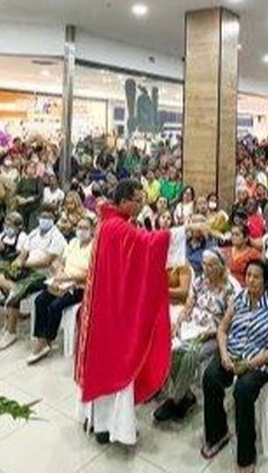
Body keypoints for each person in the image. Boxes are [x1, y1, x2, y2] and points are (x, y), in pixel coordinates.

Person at [76, 180, 206, 446]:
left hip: (106, 306)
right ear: (124, 200)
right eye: (137, 199)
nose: (141, 204)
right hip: (113, 313)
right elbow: (149, 245)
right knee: (120, 366)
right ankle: (115, 429)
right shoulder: (119, 227)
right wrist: (187, 228)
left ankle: (100, 425)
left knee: (103, 366)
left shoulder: (108, 224)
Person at [201, 259, 268, 472]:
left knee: (243, 391)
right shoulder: (238, 299)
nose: (250, 280)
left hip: (261, 360)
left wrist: (250, 364)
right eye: (248, 276)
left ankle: (246, 457)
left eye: (256, 276)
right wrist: (224, 353)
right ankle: (218, 434)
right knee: (210, 377)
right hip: (234, 354)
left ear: (265, 280)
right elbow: (222, 330)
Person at [154, 248, 237, 423]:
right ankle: (185, 396)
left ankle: (175, 400)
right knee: (167, 346)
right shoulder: (200, 281)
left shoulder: (229, 289)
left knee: (188, 354)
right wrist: (178, 324)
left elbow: (227, 323)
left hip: (213, 334)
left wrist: (211, 333)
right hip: (192, 327)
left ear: (221, 267)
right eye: (204, 264)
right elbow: (188, 306)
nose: (206, 269)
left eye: (211, 265)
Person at [0, 209, 67, 351]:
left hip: (42, 274)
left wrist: (24, 264)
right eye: (42, 217)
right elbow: (24, 252)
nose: (44, 220)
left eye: (48, 217)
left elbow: (46, 261)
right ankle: (11, 306)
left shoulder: (57, 238)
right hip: (25, 269)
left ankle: (10, 332)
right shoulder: (34, 233)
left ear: (53, 219)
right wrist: (18, 261)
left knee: (16, 290)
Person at [27, 217, 95, 364]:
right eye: (79, 227)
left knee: (55, 306)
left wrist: (68, 279)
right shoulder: (73, 243)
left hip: (79, 286)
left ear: (92, 230)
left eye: (85, 228)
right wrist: (58, 275)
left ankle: (47, 339)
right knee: (40, 300)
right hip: (62, 281)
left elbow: (89, 274)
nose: (81, 231)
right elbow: (60, 261)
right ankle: (42, 339)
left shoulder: (94, 248)